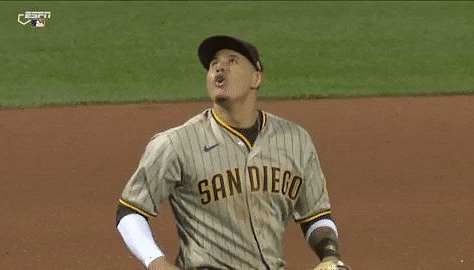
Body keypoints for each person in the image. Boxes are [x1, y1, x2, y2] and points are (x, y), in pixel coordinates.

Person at [116, 35, 350, 270]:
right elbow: (131, 210)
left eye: (232, 61)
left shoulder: (296, 141)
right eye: (213, 63)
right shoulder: (175, 143)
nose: (219, 67)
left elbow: (316, 216)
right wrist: (156, 262)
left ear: (256, 78)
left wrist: (329, 256)